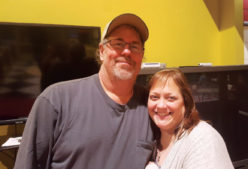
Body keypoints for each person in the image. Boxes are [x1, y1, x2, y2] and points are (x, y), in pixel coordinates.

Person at [14, 13, 154, 169]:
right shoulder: (56, 100)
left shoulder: (153, 106)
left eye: (134, 46)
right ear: (102, 51)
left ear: (141, 55)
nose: (127, 52)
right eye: (118, 44)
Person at [145, 69, 234, 169]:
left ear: (186, 102)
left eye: (171, 98)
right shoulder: (152, 138)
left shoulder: (202, 139)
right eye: (154, 97)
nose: (161, 105)